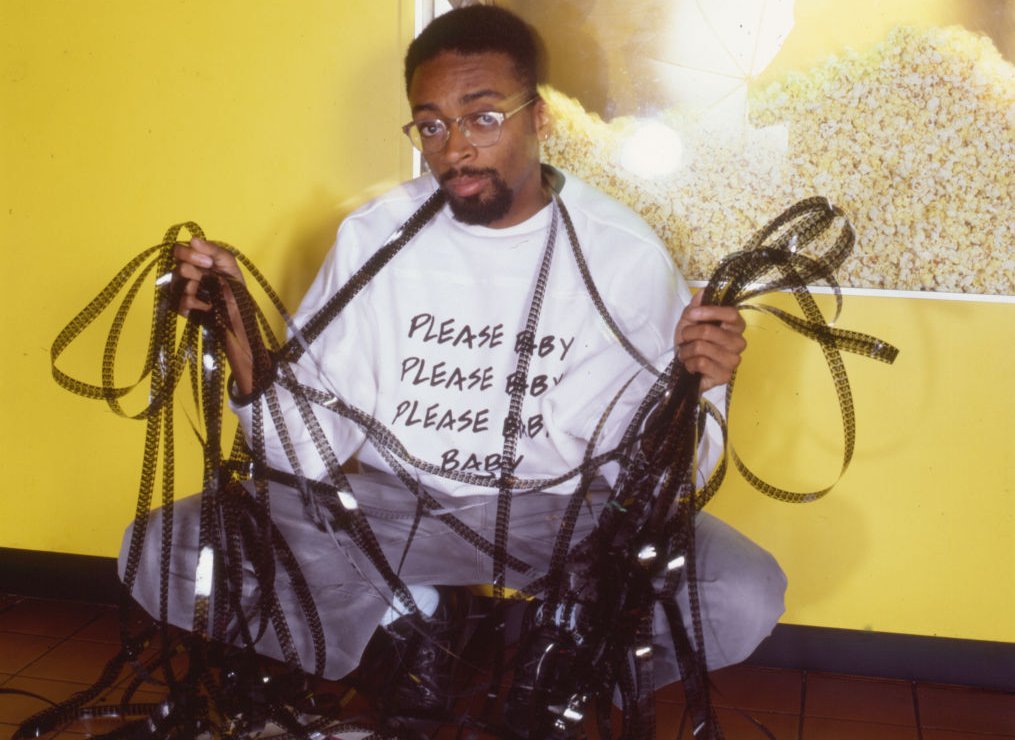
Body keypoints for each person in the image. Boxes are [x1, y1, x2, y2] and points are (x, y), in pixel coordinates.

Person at [120, 4, 786, 733]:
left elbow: (663, 485)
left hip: (561, 523)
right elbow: (310, 454)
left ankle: (553, 646)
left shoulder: (622, 254)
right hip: (381, 513)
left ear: (541, 120)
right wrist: (243, 340)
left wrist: (706, 386)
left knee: (739, 593)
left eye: (483, 118)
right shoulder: (375, 235)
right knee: (159, 550)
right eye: (431, 124)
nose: (455, 149)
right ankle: (405, 625)